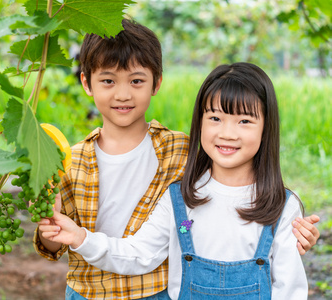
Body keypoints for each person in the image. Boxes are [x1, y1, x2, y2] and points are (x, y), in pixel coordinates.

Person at [34, 18, 320, 300]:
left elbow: (289, 285)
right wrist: (67, 230)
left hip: (155, 291)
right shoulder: (75, 161)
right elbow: (135, 252)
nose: (227, 133)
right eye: (216, 118)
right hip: (89, 289)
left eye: (244, 121)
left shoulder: (181, 151)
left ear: (155, 82)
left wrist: (292, 226)